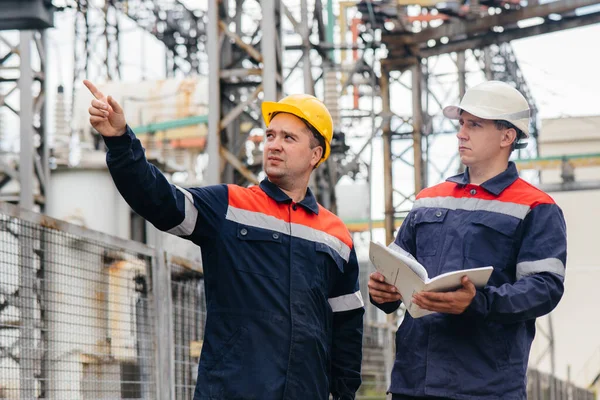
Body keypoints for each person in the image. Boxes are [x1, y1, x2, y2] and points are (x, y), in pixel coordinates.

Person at [83, 80, 365, 400]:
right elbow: (157, 199)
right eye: (270, 135)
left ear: (316, 154)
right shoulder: (230, 207)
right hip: (232, 390)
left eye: (288, 138)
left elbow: (347, 327)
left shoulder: (335, 235)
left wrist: (343, 394)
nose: (273, 144)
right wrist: (121, 142)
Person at [368, 80, 567, 399]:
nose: (461, 133)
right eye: (461, 123)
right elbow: (397, 269)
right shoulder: (428, 200)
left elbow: (544, 288)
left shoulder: (536, 207)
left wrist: (479, 302)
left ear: (507, 136)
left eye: (474, 124)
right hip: (413, 382)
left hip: (484, 387)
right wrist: (384, 292)